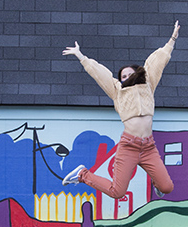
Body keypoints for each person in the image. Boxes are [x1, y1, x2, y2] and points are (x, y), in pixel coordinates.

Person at [61, 21, 180, 199]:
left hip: (148, 147)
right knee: (117, 192)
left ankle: (158, 183)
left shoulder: (148, 85)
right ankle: (82, 175)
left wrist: (172, 40)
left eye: (129, 74)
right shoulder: (117, 91)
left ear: (137, 73)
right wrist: (81, 57)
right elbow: (99, 73)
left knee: (167, 187)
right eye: (122, 76)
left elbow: (158, 62)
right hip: (129, 147)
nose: (125, 77)